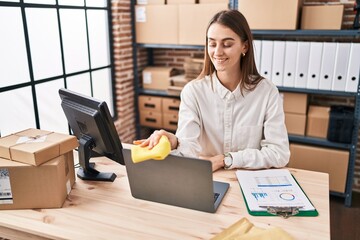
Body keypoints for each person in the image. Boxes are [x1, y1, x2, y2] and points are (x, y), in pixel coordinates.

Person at [134, 9, 290, 171]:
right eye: (212, 43)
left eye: (227, 44)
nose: (217, 52)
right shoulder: (193, 92)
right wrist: (173, 141)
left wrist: (226, 160)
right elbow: (188, 147)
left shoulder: (267, 92)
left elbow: (279, 153)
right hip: (208, 178)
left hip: (249, 180)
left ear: (245, 46)